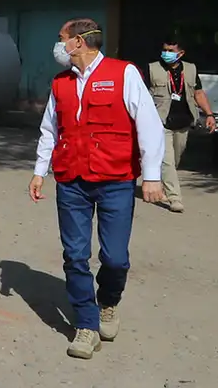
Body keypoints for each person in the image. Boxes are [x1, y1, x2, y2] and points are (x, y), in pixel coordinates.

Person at [28, 18, 165, 360]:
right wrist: (39, 171)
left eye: (61, 38)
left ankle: (108, 301)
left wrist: (151, 176)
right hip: (71, 180)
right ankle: (86, 326)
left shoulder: (123, 73)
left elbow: (148, 124)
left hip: (115, 179)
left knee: (115, 258)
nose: (58, 46)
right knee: (75, 255)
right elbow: (50, 129)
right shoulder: (60, 83)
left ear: (78, 42)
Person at [145, 34, 216, 213]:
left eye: (171, 51)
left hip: (183, 122)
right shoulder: (152, 69)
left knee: (175, 159)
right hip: (160, 122)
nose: (166, 53)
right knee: (167, 160)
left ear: (181, 53)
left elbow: (198, 93)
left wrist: (209, 114)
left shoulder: (190, 69)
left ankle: (163, 183)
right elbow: (143, 95)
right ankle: (174, 198)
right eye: (164, 50)